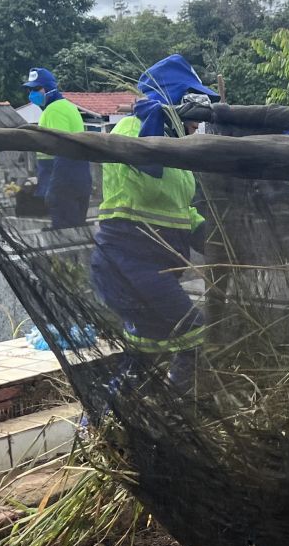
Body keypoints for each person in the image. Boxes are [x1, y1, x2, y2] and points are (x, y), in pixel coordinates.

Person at [90, 54, 217, 387]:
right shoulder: (132, 131)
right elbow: (146, 185)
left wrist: (209, 236)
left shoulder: (174, 148)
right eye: (192, 113)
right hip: (128, 262)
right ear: (174, 102)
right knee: (194, 331)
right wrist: (152, 132)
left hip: (154, 265)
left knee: (146, 350)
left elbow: (179, 206)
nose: (196, 124)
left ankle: (112, 414)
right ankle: (178, 402)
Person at [22, 66, 91, 230]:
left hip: (65, 179)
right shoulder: (67, 106)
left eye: (35, 89)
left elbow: (63, 149)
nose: (31, 94)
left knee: (65, 233)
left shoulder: (54, 110)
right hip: (78, 177)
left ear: (48, 88)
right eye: (30, 90)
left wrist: (54, 187)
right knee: (76, 232)